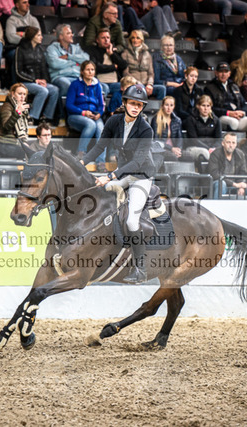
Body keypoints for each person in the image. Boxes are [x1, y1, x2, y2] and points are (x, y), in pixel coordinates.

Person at [81, 84, 158, 284]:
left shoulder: (146, 129)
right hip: (123, 173)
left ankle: (140, 269)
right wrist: (81, 162)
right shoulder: (114, 121)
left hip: (140, 176)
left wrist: (110, 176)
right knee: (100, 192)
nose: (135, 108)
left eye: (139, 105)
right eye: (132, 103)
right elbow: (99, 146)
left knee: (132, 221)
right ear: (125, 103)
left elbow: (138, 162)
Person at [15, 26, 59, 125]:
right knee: (43, 90)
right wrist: (34, 80)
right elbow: (18, 71)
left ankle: (46, 118)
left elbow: (44, 68)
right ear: (32, 36)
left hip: (38, 82)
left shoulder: (40, 50)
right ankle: (32, 117)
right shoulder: (20, 49)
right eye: (39, 35)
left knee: (54, 90)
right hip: (25, 82)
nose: (42, 37)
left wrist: (45, 80)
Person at [66, 61, 106, 169]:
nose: (90, 72)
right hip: (76, 116)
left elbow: (101, 105)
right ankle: (81, 154)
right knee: (91, 125)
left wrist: (99, 114)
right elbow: (69, 105)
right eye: (88, 69)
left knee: (102, 129)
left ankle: (101, 161)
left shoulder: (97, 85)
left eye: (92, 70)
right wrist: (82, 112)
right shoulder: (75, 84)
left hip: (93, 116)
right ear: (82, 71)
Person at [204, 62, 247, 132]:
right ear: (216, 73)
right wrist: (228, 113)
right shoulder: (209, 88)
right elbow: (210, 108)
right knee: (233, 123)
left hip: (237, 116)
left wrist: (242, 112)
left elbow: (244, 104)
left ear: (229, 74)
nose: (223, 74)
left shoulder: (234, 86)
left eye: (226, 72)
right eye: (221, 72)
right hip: (221, 116)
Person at [46, 24, 90, 97]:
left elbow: (86, 59)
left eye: (72, 33)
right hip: (60, 76)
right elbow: (54, 63)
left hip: (77, 76)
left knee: (97, 85)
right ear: (61, 36)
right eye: (68, 33)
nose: (72, 35)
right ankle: (63, 104)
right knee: (67, 85)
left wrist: (68, 56)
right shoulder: (52, 48)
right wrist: (76, 63)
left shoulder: (76, 48)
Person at [121, 29, 165, 100]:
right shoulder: (125, 53)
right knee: (140, 88)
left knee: (162, 89)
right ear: (130, 40)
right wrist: (137, 83)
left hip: (146, 84)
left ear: (141, 40)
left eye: (137, 38)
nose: (135, 40)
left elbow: (151, 73)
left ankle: (158, 107)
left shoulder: (147, 54)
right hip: (133, 84)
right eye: (133, 38)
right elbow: (125, 73)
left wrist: (150, 84)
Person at [84, 27, 127, 99]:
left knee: (128, 87)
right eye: (103, 38)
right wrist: (113, 67)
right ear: (97, 40)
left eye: (108, 38)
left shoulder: (113, 51)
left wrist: (112, 54)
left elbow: (123, 65)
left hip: (115, 83)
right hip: (101, 82)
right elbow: (96, 67)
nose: (106, 40)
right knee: (105, 88)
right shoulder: (93, 51)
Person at [0, 82, 28, 159]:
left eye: (24, 94)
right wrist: (18, 112)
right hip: (2, 143)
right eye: (20, 94)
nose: (22, 97)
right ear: (13, 94)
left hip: (14, 143)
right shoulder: (6, 106)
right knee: (27, 152)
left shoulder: (23, 110)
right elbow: (6, 126)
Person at [209, 132, 247, 199]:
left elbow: (243, 173)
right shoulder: (215, 154)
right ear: (223, 143)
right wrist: (234, 184)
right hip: (219, 184)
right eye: (228, 142)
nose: (231, 145)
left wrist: (241, 186)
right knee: (221, 184)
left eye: (233, 143)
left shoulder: (240, 154)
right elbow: (215, 174)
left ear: (236, 144)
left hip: (236, 185)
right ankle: (217, 205)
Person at [183, 94, 222, 165]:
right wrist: (208, 148)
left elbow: (219, 139)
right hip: (194, 147)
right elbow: (193, 140)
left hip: (212, 148)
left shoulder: (216, 120)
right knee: (205, 153)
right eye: (203, 105)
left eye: (208, 106)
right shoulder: (191, 119)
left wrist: (213, 147)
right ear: (198, 106)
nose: (206, 108)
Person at [151, 95, 183, 162]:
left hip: (175, 149)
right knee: (173, 157)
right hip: (161, 149)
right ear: (162, 106)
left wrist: (178, 149)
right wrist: (171, 148)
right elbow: (156, 140)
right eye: (166, 105)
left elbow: (179, 138)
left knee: (189, 156)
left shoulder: (177, 120)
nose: (169, 108)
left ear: (174, 106)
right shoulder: (156, 120)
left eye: (171, 105)